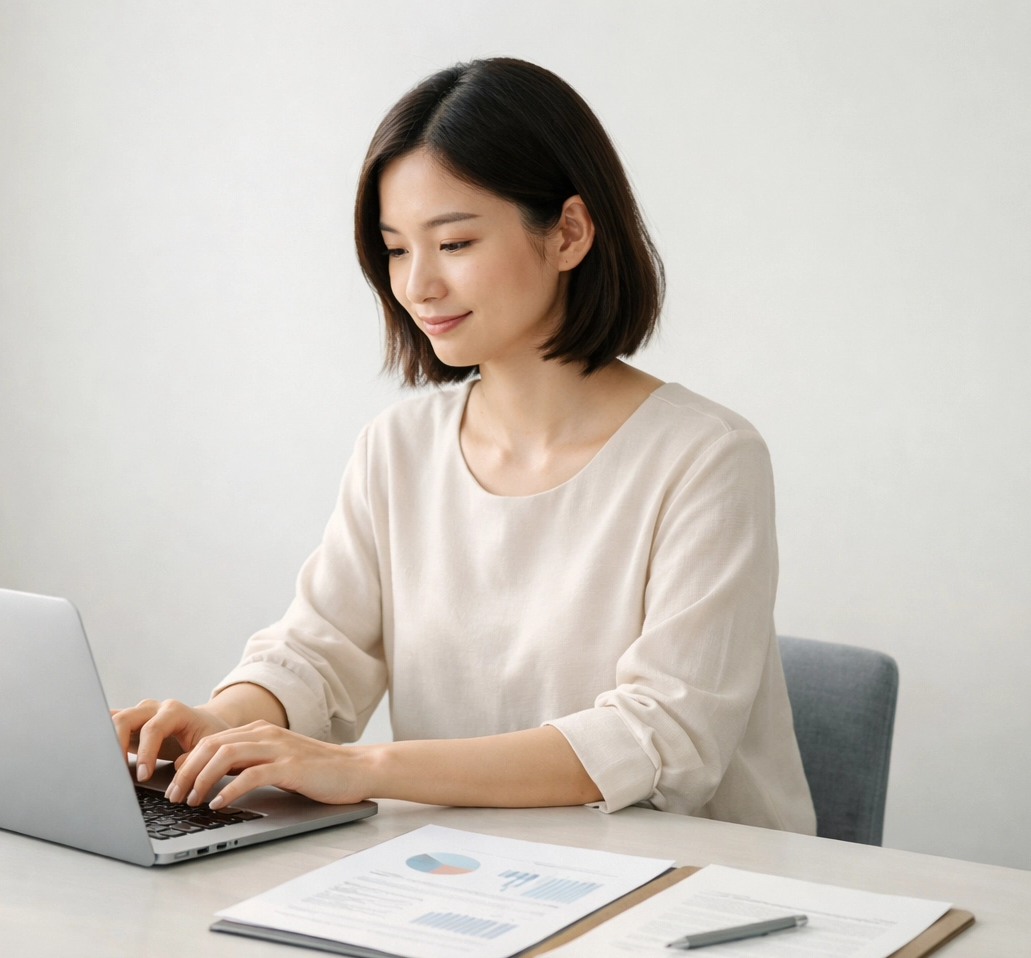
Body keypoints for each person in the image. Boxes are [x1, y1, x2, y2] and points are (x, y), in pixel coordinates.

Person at [112, 58, 816, 834]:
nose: (417, 286)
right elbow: (320, 652)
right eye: (396, 249)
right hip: (464, 878)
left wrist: (363, 769)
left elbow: (661, 740)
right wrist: (225, 724)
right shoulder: (399, 448)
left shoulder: (706, 457)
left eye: (453, 243)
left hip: (684, 896)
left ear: (570, 233)